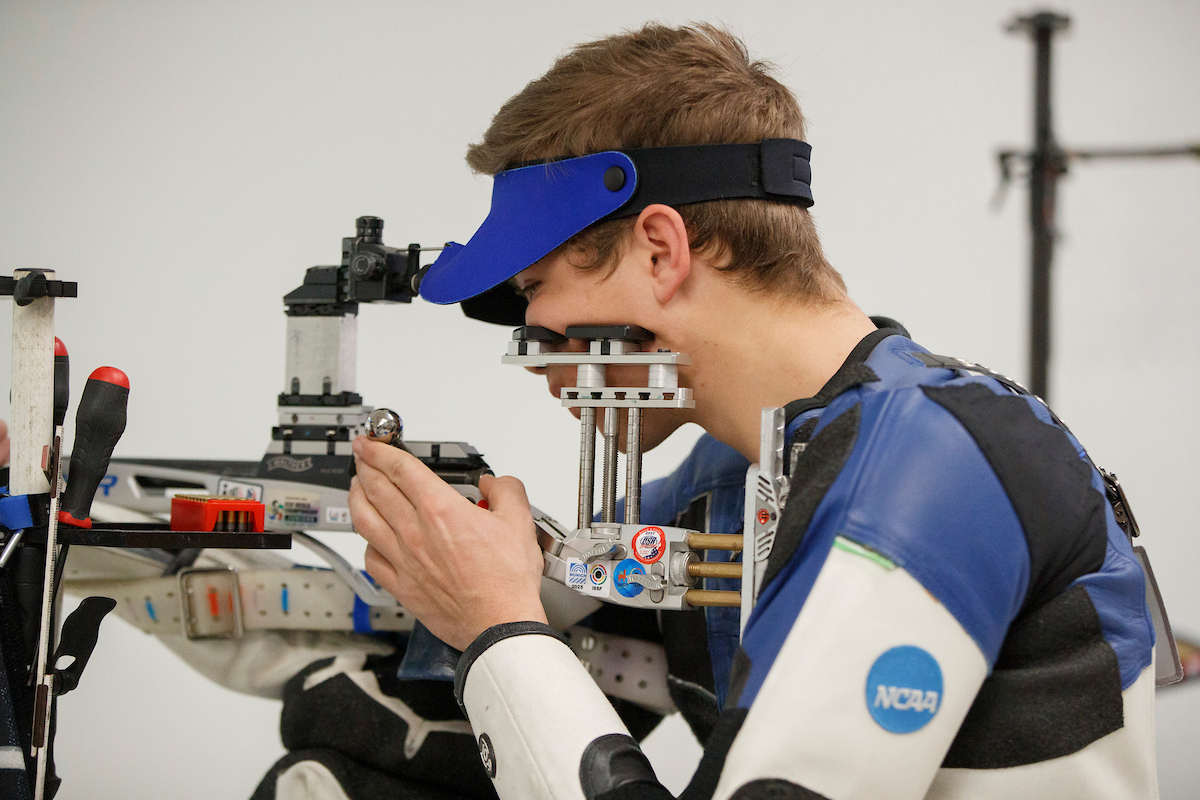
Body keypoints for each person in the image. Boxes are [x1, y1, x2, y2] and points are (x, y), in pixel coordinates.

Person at [346, 23, 1158, 800]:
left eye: (533, 290)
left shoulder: (932, 467)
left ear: (660, 251)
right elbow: (533, 601)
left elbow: (509, 621)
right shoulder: (735, 480)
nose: (534, 340)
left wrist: (499, 631)